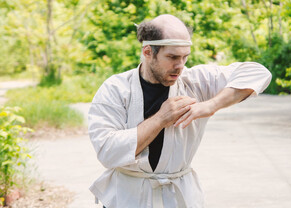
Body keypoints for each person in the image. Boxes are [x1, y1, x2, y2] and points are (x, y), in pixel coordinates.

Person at [88, 14, 272, 208]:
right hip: (128, 198)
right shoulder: (115, 89)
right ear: (148, 51)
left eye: (185, 57)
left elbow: (259, 73)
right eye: (173, 57)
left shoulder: (195, 82)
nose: (180, 66)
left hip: (177, 199)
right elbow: (107, 152)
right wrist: (160, 118)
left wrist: (210, 106)